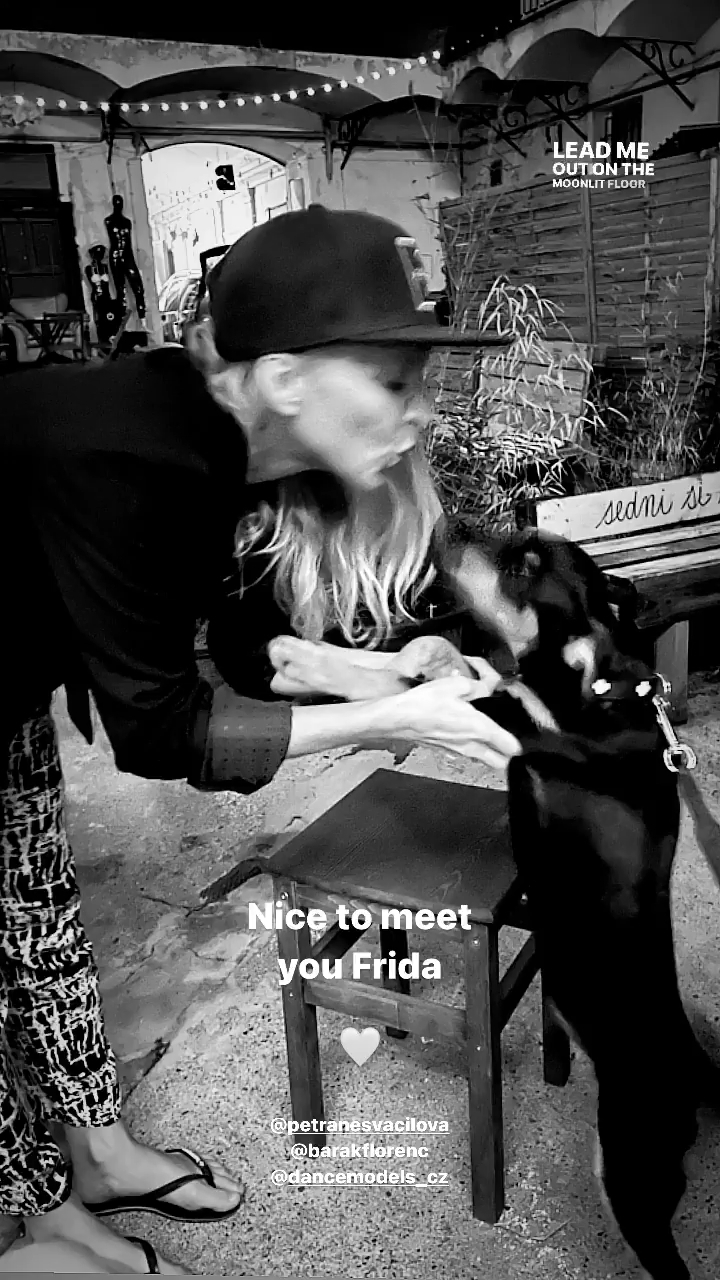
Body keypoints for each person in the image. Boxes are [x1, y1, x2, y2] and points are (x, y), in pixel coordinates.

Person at [0, 204, 521, 1273]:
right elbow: (162, 734)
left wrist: (381, 671)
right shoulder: (129, 449)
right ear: (286, 376)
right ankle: (31, 1222)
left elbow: (244, 655)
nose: (423, 410)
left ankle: (95, 1155)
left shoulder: (238, 448)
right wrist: (395, 718)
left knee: (36, 922)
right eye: (394, 380)